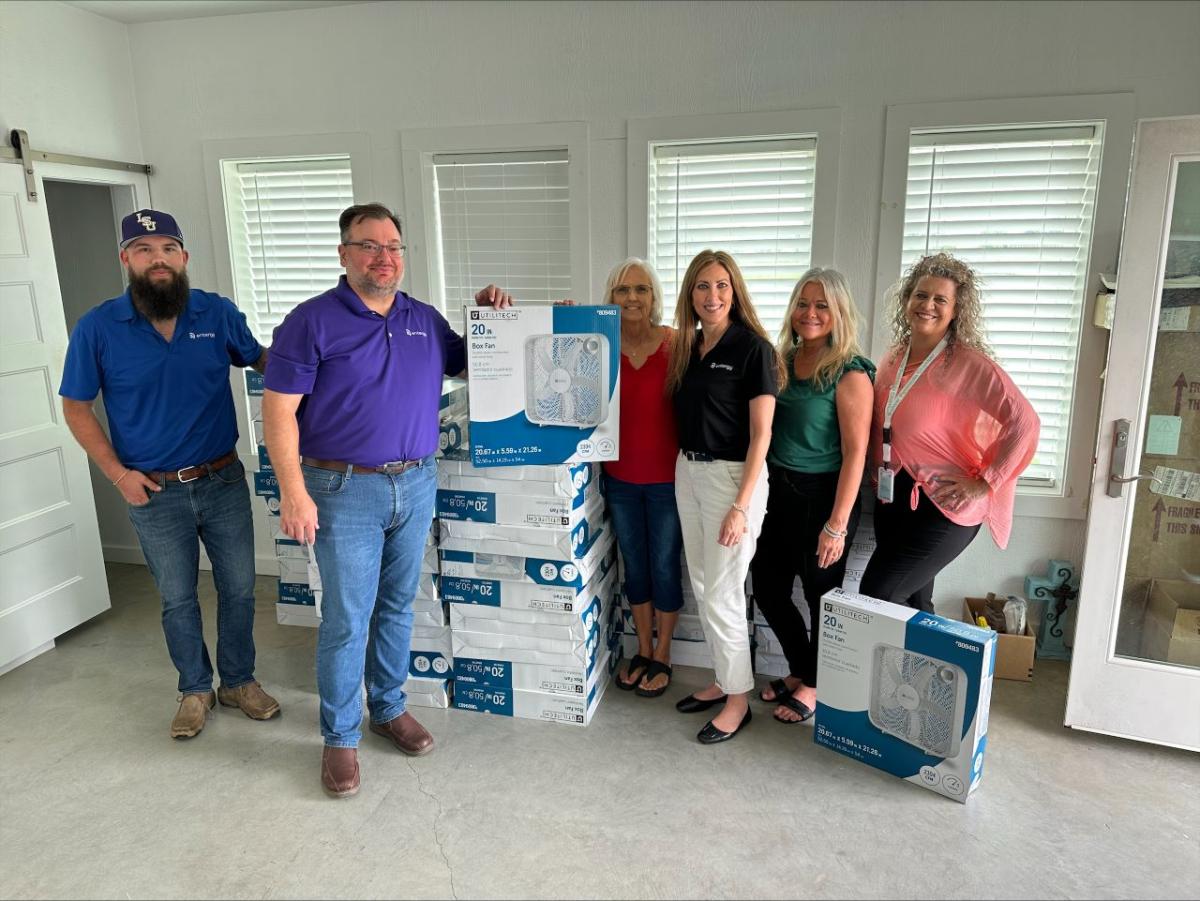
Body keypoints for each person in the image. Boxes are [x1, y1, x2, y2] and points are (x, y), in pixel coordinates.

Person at [262, 202, 511, 799]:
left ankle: (388, 707)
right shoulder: (312, 321)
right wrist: (292, 492)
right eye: (370, 245)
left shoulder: (422, 318)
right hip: (343, 488)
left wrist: (490, 321)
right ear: (344, 253)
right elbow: (278, 412)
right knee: (348, 619)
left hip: (417, 481)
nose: (385, 257)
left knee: (399, 607)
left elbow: (478, 364)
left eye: (394, 246)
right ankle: (340, 738)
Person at [60, 208, 279, 740]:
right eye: (143, 249)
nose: (157, 259)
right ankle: (195, 689)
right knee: (178, 597)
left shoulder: (216, 313)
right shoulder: (99, 327)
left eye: (166, 249)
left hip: (222, 479)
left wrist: (326, 350)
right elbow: (75, 406)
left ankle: (238, 681)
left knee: (240, 589)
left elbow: (263, 362)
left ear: (182, 258)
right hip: (153, 491)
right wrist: (118, 475)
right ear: (126, 259)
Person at [859, 252, 1039, 612]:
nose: (927, 305)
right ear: (907, 300)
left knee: (877, 595)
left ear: (956, 310)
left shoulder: (970, 365)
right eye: (920, 295)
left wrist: (986, 481)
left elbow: (1026, 423)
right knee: (911, 600)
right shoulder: (894, 355)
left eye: (940, 299)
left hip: (941, 506)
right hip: (893, 498)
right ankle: (919, 670)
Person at [667, 249, 785, 744]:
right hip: (687, 470)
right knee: (702, 584)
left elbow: (762, 435)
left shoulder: (753, 348)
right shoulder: (687, 346)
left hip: (733, 480)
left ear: (734, 291)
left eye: (720, 285)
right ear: (690, 294)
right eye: (701, 286)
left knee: (722, 592)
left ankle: (739, 701)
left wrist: (741, 505)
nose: (711, 295)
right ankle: (723, 680)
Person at [749, 268, 874, 725]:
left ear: (838, 312)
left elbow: (857, 452)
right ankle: (804, 669)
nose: (811, 313)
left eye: (822, 305)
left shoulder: (849, 371)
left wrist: (837, 524)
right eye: (803, 303)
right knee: (768, 588)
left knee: (822, 596)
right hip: (777, 492)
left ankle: (817, 686)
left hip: (824, 496)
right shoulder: (782, 358)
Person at [596, 259, 684, 698]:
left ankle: (664, 652)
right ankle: (643, 647)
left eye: (641, 289)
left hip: (669, 480)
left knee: (665, 563)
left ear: (654, 297)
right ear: (610, 296)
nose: (632, 298)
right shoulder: (598, 343)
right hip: (620, 478)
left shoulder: (677, 343)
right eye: (623, 289)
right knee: (635, 564)